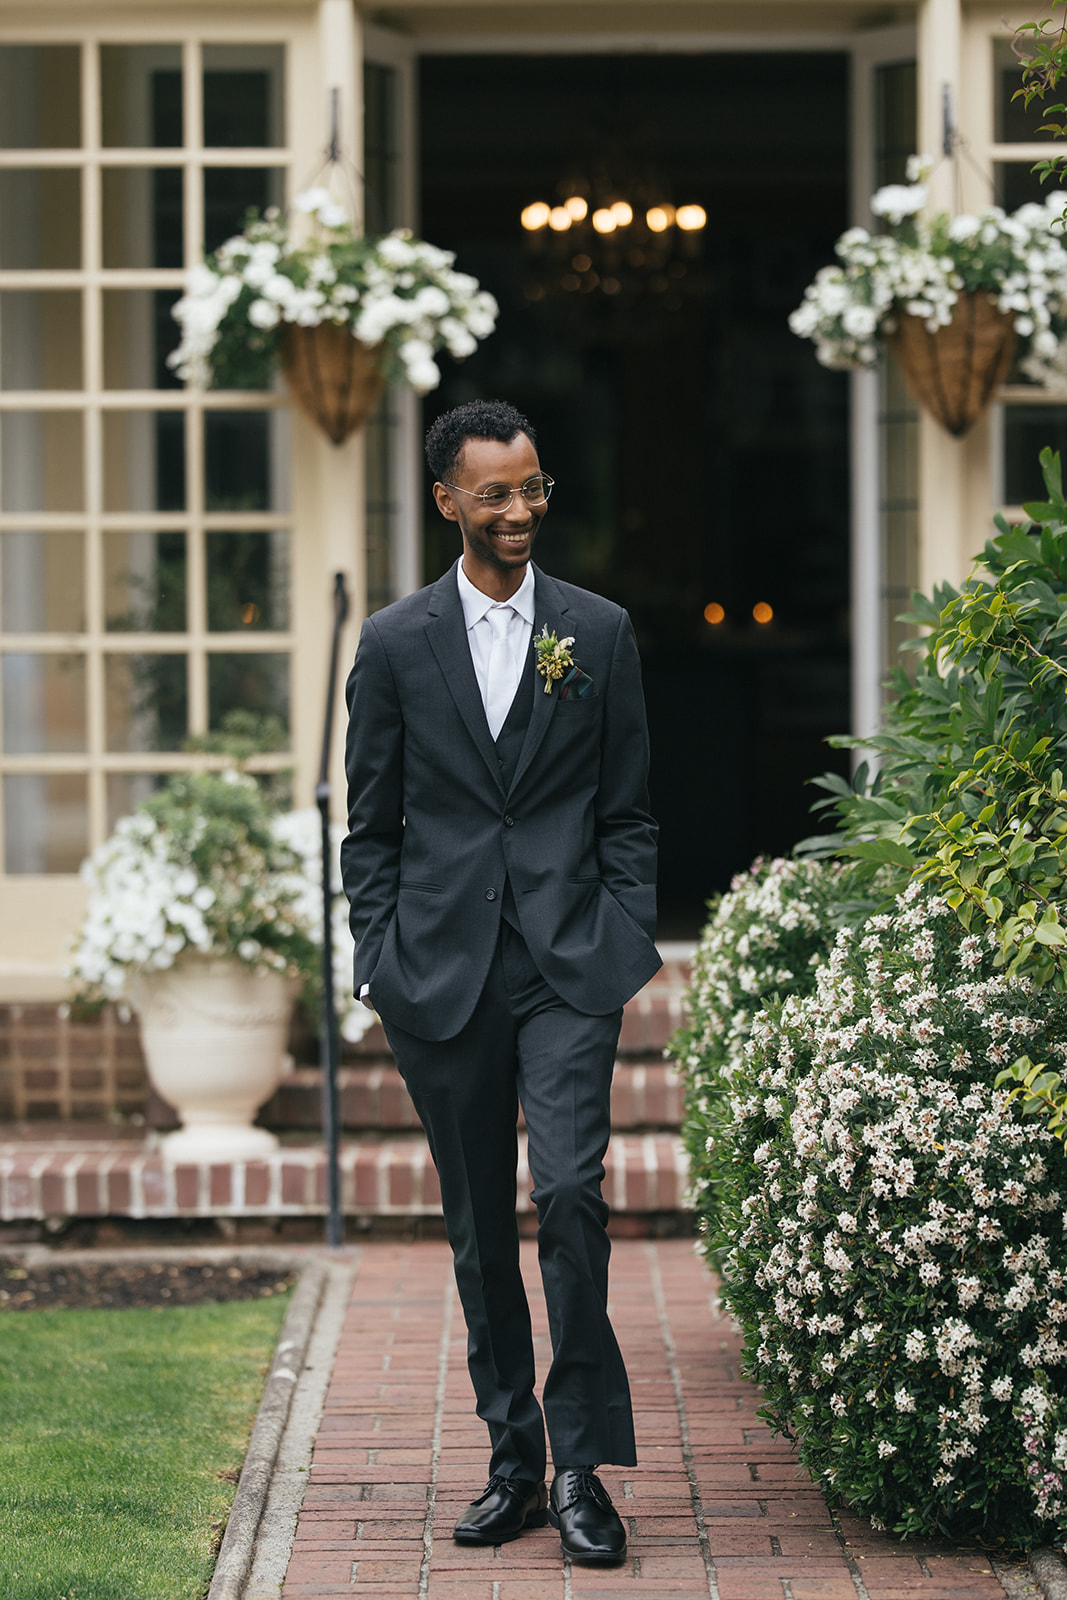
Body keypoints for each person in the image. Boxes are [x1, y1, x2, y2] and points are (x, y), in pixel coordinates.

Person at [340, 398, 660, 1566]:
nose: (520, 509)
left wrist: (620, 924)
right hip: (440, 971)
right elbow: (367, 827)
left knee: (569, 1198)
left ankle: (581, 1466)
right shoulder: (390, 643)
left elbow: (626, 809)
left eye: (532, 488)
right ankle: (511, 1455)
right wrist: (379, 952)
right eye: (495, 493)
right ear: (447, 503)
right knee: (478, 1224)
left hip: (569, 963)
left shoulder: (600, 631)